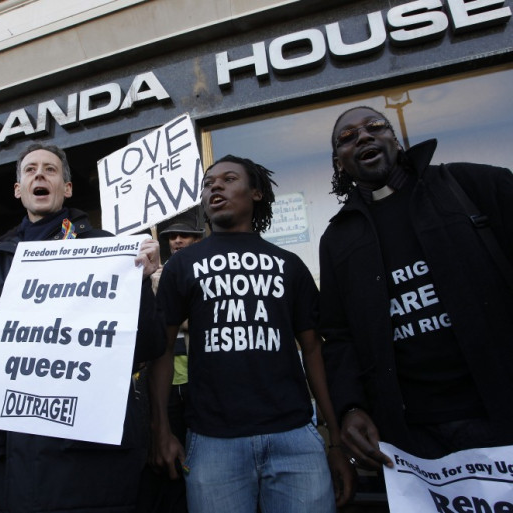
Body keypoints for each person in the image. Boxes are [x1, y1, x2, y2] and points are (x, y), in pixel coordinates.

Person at [0, 143, 164, 513]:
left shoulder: (111, 253)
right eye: (30, 169)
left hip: (89, 468)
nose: (39, 174)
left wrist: (143, 285)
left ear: (67, 188)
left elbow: (146, 346)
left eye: (50, 170)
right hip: (2, 463)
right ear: (18, 190)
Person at [150, 155, 354, 513]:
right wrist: (161, 430)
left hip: (294, 438)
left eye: (228, 179)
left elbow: (313, 350)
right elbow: (162, 349)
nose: (215, 186)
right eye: (208, 183)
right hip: (212, 442)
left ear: (256, 193)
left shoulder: (290, 265)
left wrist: (335, 439)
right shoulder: (182, 264)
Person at [320, 106, 513, 469]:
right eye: (347, 137)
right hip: (411, 439)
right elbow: (338, 335)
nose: (363, 136)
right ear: (339, 164)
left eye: (375, 126)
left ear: (395, 139)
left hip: (501, 413)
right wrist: (351, 407)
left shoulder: (472, 186)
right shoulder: (337, 238)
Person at [140, 218, 203, 513]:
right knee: (169, 459)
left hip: (198, 382)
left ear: (199, 240)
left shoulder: (205, 276)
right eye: (172, 237)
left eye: (185, 236)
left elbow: (205, 322)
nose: (177, 241)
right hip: (167, 386)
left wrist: (172, 312)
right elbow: (149, 332)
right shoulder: (154, 277)